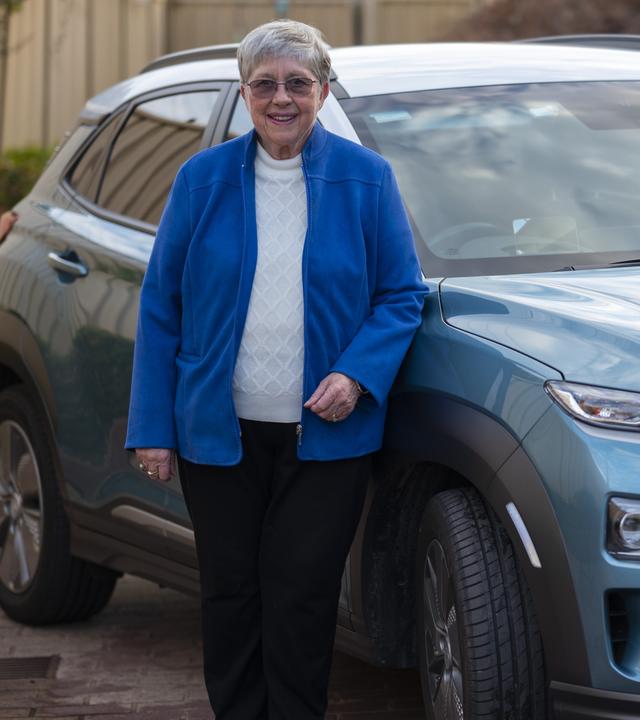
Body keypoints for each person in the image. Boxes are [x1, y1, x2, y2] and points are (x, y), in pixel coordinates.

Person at [125, 19, 427, 719]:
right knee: (230, 592)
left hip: (325, 436)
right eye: (265, 85)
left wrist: (356, 374)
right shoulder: (200, 179)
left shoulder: (366, 178)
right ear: (244, 94)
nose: (281, 98)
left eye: (298, 83)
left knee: (301, 595)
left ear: (323, 90)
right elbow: (160, 304)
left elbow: (399, 294)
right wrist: (153, 428)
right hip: (217, 429)